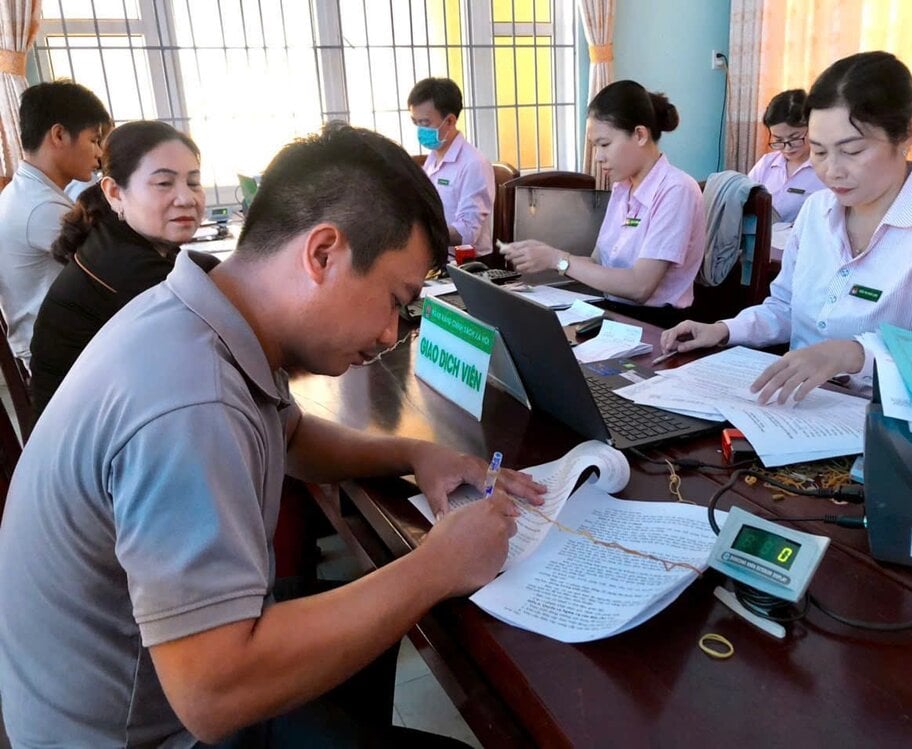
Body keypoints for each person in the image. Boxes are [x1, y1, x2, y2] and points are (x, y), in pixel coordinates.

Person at [0, 122, 546, 747]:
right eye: (397, 299)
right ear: (322, 254)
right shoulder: (189, 396)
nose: (394, 332)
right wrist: (438, 564)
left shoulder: (204, 314)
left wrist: (417, 453)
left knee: (361, 628)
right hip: (146, 727)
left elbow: (292, 439)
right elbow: (214, 693)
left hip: (146, 673)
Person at [660, 51, 912, 405]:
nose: (831, 171)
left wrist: (853, 355)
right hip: (796, 412)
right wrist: (723, 329)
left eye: (851, 151)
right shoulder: (816, 211)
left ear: (906, 135)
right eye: (819, 152)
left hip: (884, 425)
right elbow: (785, 308)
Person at [29, 120, 205, 418]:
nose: (186, 198)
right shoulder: (126, 268)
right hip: (89, 450)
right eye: (164, 183)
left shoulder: (117, 241)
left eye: (193, 182)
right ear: (114, 192)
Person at [500, 80, 705, 328]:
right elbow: (597, 264)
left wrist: (558, 259)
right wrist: (543, 255)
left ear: (640, 135)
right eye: (595, 146)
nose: (598, 157)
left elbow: (640, 286)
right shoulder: (622, 188)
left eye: (604, 144)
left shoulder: (676, 189)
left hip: (657, 325)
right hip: (614, 314)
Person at [0, 80, 110, 369]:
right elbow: (111, 273)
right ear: (59, 135)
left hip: (54, 343)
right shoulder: (42, 207)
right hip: (58, 359)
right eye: (94, 140)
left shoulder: (25, 191)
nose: (99, 154)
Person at [407, 77, 495, 256]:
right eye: (415, 122)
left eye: (424, 123)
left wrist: (423, 236)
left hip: (468, 266)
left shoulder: (474, 164)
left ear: (449, 121)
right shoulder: (432, 159)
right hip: (437, 257)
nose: (419, 130)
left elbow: (468, 232)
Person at [746, 89, 826, 224]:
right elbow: (745, 199)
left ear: (813, 126)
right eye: (778, 140)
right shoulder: (767, 163)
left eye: (795, 138)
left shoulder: (826, 168)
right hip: (763, 241)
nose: (787, 147)